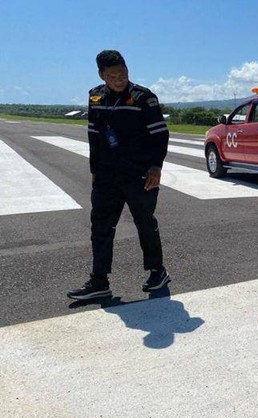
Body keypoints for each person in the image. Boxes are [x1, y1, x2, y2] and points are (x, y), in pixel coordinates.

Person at [67, 50, 170, 300]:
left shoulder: (143, 98)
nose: (119, 79)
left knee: (145, 223)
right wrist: (94, 170)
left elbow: (160, 134)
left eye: (122, 73)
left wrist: (156, 166)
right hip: (106, 175)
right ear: (101, 75)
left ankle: (157, 272)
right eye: (112, 75)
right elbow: (94, 135)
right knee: (100, 226)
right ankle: (99, 280)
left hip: (140, 174)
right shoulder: (95, 97)